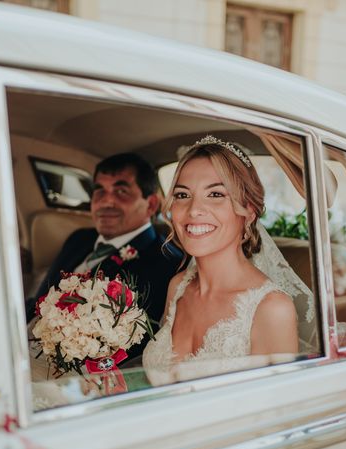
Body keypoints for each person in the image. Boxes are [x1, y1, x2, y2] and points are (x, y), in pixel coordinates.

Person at [143, 135, 310, 378]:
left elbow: (274, 411)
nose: (194, 210)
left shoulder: (271, 309)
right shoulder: (178, 287)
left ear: (249, 211)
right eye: (182, 195)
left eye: (215, 194)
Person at [25, 153, 183, 360]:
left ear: (151, 204)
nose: (106, 201)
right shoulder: (79, 239)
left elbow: (138, 345)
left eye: (121, 191)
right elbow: (41, 299)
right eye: (99, 190)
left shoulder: (167, 261)